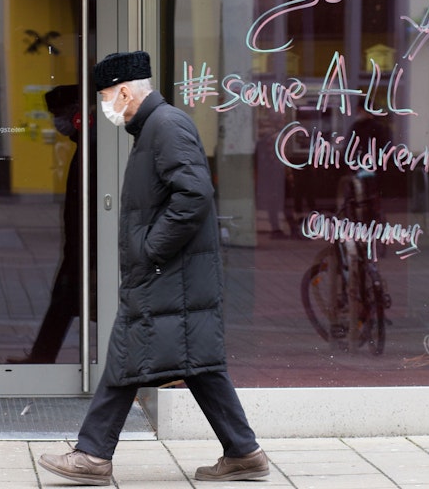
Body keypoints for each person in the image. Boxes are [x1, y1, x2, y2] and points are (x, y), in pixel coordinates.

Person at [38, 51, 268, 485]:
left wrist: (149, 249)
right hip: (173, 275)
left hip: (167, 273)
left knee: (127, 353)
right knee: (197, 361)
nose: (105, 106)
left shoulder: (166, 126)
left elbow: (194, 196)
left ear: (125, 91)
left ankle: (92, 456)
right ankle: (243, 451)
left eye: (106, 96)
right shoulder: (155, 128)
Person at [7, 84, 94, 363]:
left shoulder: (92, 148)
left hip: (88, 246)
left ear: (77, 115)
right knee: (65, 301)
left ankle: (42, 358)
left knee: (84, 302)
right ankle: (41, 357)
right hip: (80, 246)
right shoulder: (84, 145)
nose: (56, 123)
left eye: (58, 115)